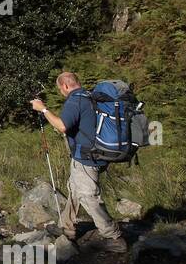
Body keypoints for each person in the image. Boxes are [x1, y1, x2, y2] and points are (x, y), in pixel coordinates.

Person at [30, 72, 127, 253]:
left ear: (65, 86)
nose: (61, 92)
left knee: (89, 197)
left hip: (86, 158)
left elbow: (62, 126)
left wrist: (43, 109)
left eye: (60, 89)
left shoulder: (75, 100)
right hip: (91, 155)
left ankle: (114, 237)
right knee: (74, 189)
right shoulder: (89, 96)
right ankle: (67, 229)